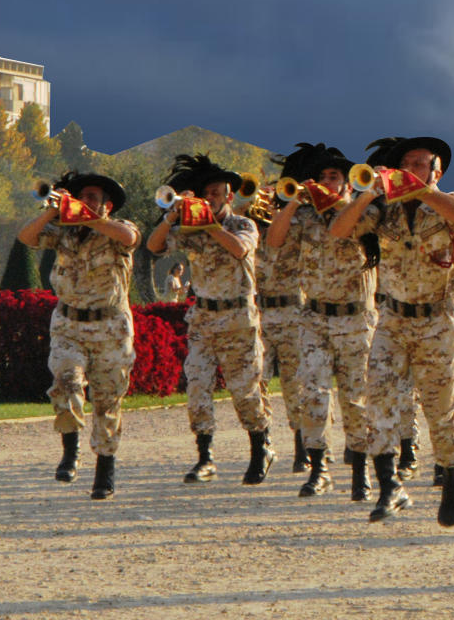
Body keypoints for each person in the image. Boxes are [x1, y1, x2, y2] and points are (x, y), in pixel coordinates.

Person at [329, 136, 454, 527]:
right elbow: (339, 230)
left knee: (440, 408)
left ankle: (452, 475)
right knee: (377, 398)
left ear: (437, 171)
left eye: (421, 163)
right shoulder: (385, 212)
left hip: (440, 321)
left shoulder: (453, 204)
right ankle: (389, 486)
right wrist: (366, 193)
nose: (412, 167)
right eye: (406, 163)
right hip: (393, 320)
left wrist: (421, 189)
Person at [144, 154, 273, 486]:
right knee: (197, 389)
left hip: (239, 321)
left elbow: (240, 250)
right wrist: (171, 215)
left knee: (245, 393)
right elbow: (154, 245)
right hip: (202, 319)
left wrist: (209, 223)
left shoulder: (243, 224)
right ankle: (205, 458)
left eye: (217, 193)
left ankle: (261, 449)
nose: (211, 198)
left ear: (230, 197)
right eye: (207, 194)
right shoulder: (190, 228)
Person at [19, 171, 140, 500]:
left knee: (107, 401)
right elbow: (26, 238)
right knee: (66, 382)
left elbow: (130, 238)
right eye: (81, 196)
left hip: (111, 329)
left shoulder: (119, 229)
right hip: (69, 326)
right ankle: (70, 453)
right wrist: (51, 210)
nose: (85, 202)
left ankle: (105, 469)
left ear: (107, 205)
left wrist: (92, 218)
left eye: (92, 198)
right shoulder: (62, 232)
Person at [265, 143, 369, 501]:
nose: (327, 181)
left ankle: (360, 470)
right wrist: (294, 199)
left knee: (355, 400)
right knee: (312, 396)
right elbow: (274, 242)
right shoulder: (305, 218)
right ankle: (319, 470)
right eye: (322, 176)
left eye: (334, 177)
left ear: (347, 183)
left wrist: (347, 203)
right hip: (314, 319)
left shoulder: (362, 212)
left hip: (355, 319)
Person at [247, 160, 327, 479]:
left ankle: (301, 448)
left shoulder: (299, 223)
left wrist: (293, 201)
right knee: (257, 381)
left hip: (294, 311)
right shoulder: (248, 225)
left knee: (296, 383)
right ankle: (263, 444)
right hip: (261, 312)